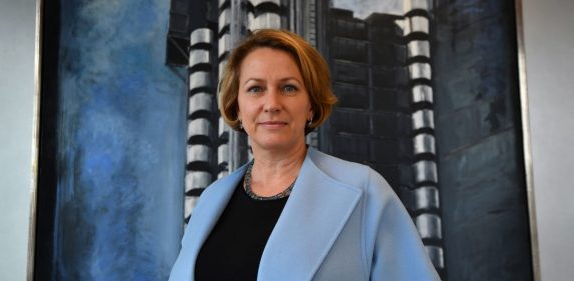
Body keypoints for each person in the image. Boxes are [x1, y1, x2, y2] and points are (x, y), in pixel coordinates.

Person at [168, 29, 440, 281]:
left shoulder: (364, 191)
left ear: (310, 106)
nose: (272, 104)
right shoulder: (210, 201)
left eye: (289, 88)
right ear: (236, 107)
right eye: (255, 88)